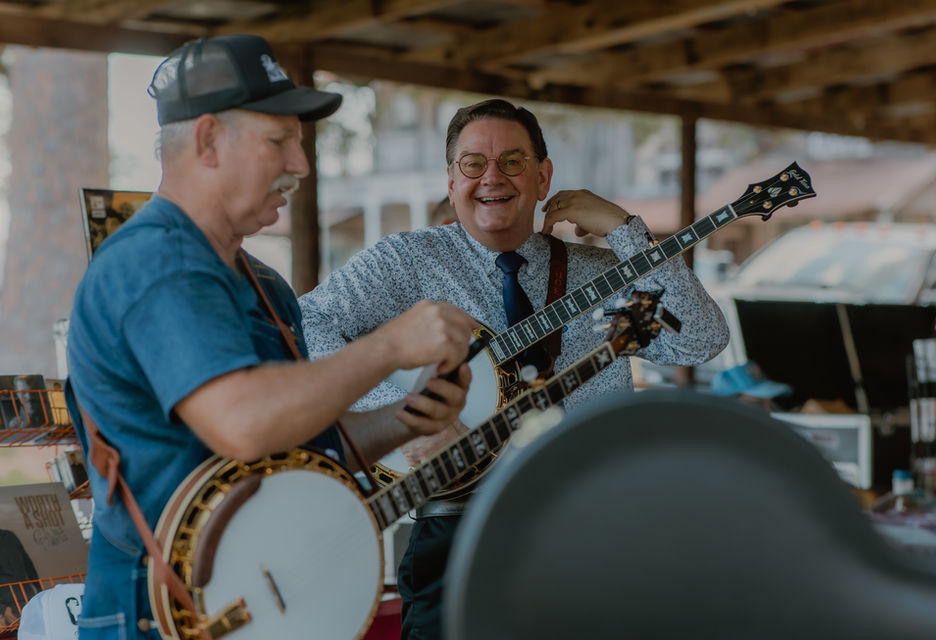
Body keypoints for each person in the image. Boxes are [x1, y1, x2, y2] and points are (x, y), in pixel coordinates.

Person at [64, 34, 476, 639]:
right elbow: (246, 424)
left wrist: (406, 417)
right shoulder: (155, 263)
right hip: (163, 617)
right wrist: (390, 345)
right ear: (207, 140)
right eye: (279, 140)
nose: (300, 165)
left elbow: (300, 446)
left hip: (259, 608)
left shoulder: (264, 286)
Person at [298, 97, 730, 638]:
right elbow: (302, 328)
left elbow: (701, 340)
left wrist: (625, 229)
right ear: (451, 180)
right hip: (457, 529)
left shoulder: (600, 269)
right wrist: (401, 415)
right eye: (473, 163)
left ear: (543, 176)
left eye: (513, 161)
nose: (491, 178)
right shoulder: (404, 262)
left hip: (592, 527)